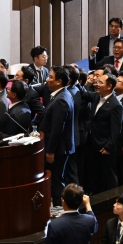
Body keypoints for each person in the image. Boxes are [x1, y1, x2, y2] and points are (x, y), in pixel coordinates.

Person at [38, 67, 75, 204]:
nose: (48, 79)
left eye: (51, 77)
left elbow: (57, 128)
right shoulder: (62, 94)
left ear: (59, 81)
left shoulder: (61, 100)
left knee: (56, 182)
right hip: (59, 148)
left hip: (58, 149)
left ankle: (60, 210)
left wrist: (50, 151)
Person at [82, 73, 123, 193]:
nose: (97, 84)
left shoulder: (116, 105)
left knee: (109, 176)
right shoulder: (96, 96)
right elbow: (83, 93)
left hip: (104, 147)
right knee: (94, 175)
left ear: (109, 86)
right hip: (92, 143)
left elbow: (115, 130)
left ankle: (112, 201)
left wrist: (108, 147)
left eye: (100, 83)